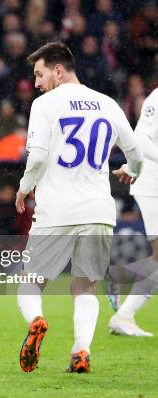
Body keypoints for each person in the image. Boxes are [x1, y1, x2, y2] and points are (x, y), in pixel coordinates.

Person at [14, 42, 143, 374]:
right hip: (98, 209)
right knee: (85, 284)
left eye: (40, 74)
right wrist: (131, 172)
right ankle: (81, 350)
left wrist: (25, 187)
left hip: (57, 208)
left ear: (58, 70)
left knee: (31, 279)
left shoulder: (45, 105)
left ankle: (36, 320)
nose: (37, 83)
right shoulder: (108, 104)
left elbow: (39, 156)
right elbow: (137, 156)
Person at [107, 88, 158, 336]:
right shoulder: (157, 98)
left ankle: (119, 274)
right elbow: (141, 137)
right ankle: (123, 316)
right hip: (153, 184)